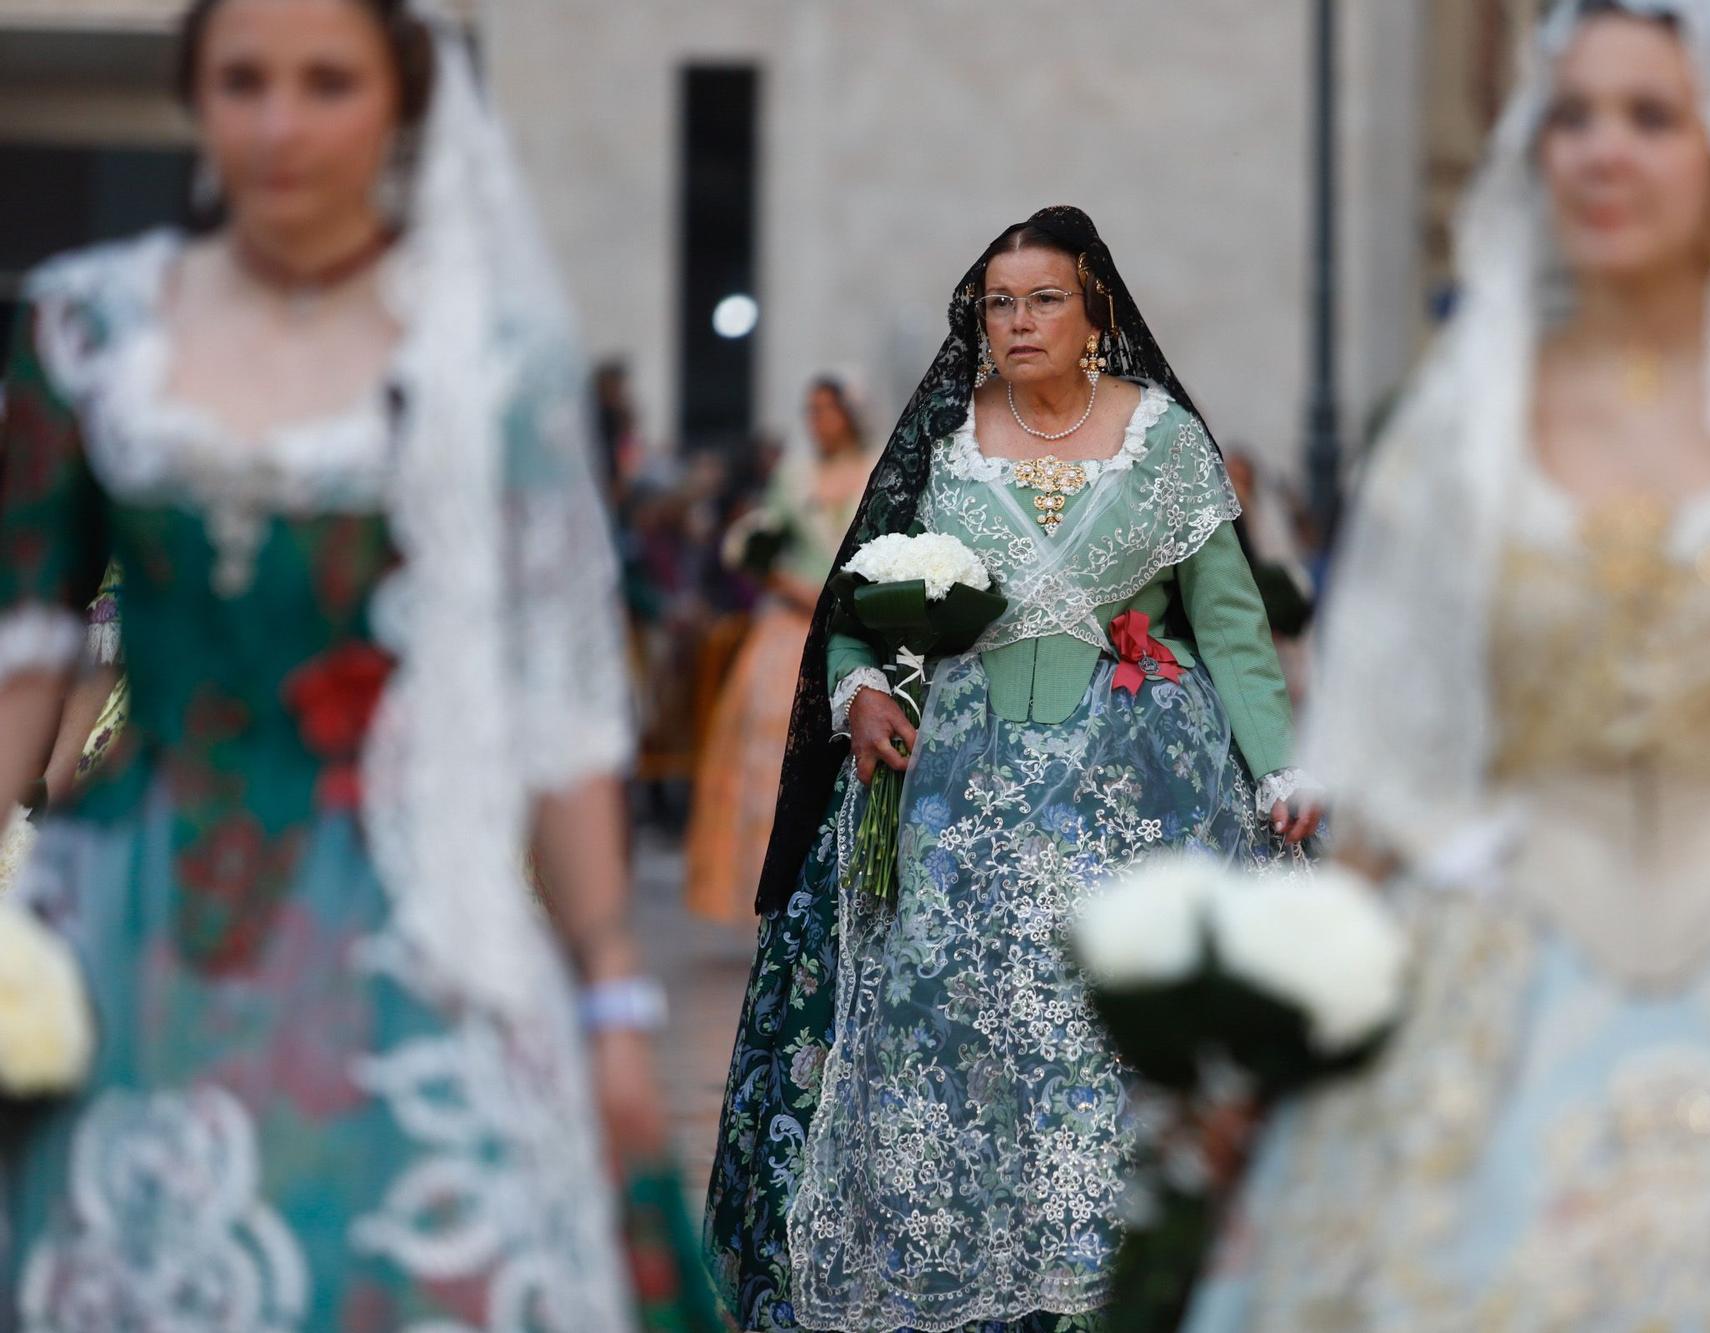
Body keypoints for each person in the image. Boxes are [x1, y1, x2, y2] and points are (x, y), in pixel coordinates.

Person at [1186, 3, 1710, 1327]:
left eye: (1650, 118)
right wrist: (1289, 1027)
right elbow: (1386, 769)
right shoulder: (1464, 424)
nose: (1601, 154)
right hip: (1505, 964)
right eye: (1572, 117)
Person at [0, 1, 697, 1325]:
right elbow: (24, 650)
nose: (280, 124)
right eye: (243, 80)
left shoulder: (489, 360)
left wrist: (610, 990)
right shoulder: (85, 330)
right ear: (193, 95)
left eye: (327, 83)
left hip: (405, 908)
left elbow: (556, 706)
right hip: (136, 902)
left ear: (400, 101)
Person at [703, 205, 1321, 1333]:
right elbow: (854, 609)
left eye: (1041, 298)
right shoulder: (944, 437)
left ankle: (1112, 1288)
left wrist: (1278, 771)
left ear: (1094, 311)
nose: (1016, 321)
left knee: (1107, 1038)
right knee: (954, 1037)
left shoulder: (1164, 439)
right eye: (997, 302)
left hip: (1137, 786)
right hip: (952, 790)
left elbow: (1231, 628)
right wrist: (864, 688)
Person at [684, 377, 874, 923]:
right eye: (810, 410)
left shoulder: (872, 469)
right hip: (791, 625)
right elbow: (760, 551)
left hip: (850, 623)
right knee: (767, 748)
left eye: (828, 409)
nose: (818, 420)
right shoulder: (792, 477)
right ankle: (765, 890)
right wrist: (781, 579)